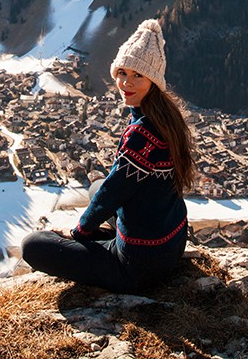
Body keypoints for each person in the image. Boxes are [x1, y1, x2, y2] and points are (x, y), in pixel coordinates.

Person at [21, 19, 195, 293]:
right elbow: (117, 187)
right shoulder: (167, 117)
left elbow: (116, 190)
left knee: (33, 245)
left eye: (138, 75)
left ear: (153, 80)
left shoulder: (142, 133)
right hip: (171, 242)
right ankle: (109, 238)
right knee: (95, 187)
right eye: (122, 72)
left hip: (137, 265)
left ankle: (107, 246)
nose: (126, 82)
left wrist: (79, 232)